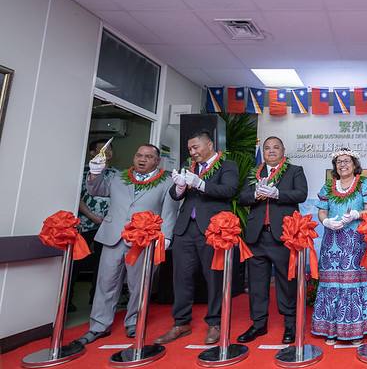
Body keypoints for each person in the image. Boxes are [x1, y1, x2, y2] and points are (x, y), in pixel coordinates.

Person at [71, 144, 177, 345]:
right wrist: (95, 173)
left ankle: (133, 321)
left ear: (157, 161)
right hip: (113, 236)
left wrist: (166, 238)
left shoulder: (167, 181)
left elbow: (169, 211)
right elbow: (96, 189)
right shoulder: (118, 177)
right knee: (106, 282)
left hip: (142, 239)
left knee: (139, 285)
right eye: (138, 155)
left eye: (148, 156)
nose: (142, 159)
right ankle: (99, 325)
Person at [155, 130, 239, 345]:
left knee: (213, 278)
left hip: (212, 230)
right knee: (181, 278)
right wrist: (180, 186)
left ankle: (214, 323)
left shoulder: (227, 165)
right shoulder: (189, 167)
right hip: (185, 229)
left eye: (195, 147)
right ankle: (180, 323)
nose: (192, 152)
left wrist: (200, 184)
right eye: (190, 149)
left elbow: (229, 190)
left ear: (209, 145)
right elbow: (175, 195)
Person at [236, 137, 308, 344]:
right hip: (256, 236)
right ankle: (258, 324)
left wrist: (277, 194)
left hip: (283, 235)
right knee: (257, 283)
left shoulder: (294, 170)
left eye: (276, 147)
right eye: (267, 148)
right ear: (263, 152)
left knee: (287, 282)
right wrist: (255, 194)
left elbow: (301, 194)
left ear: (283, 150)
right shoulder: (254, 173)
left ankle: (290, 325)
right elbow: (242, 197)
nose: (271, 151)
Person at [312, 149, 367, 345]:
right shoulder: (328, 187)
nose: (343, 165)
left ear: (354, 164)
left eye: (347, 161)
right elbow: (322, 212)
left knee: (353, 282)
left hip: (355, 241)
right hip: (331, 241)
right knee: (331, 284)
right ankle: (331, 331)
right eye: (339, 162)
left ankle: (355, 331)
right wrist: (326, 222)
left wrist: (357, 215)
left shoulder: (364, 184)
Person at [70, 139, 117, 312]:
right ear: (92, 153)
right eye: (103, 150)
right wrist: (91, 216)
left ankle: (96, 299)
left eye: (110, 149)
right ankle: (68, 301)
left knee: (103, 264)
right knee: (76, 262)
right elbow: (77, 197)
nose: (108, 153)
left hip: (106, 225)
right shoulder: (82, 172)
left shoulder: (115, 174)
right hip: (84, 224)